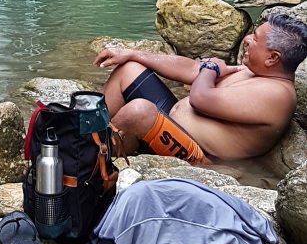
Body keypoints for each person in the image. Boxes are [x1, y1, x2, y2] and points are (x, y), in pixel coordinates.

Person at [96, 14, 307, 163]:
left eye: (256, 39)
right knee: (129, 68)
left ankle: (91, 157)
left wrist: (212, 67)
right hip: (172, 125)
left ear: (272, 58)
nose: (247, 40)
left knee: (139, 111)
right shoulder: (253, 71)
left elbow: (200, 97)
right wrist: (133, 53)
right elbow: (194, 69)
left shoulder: (278, 95)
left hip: (197, 156)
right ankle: (85, 131)